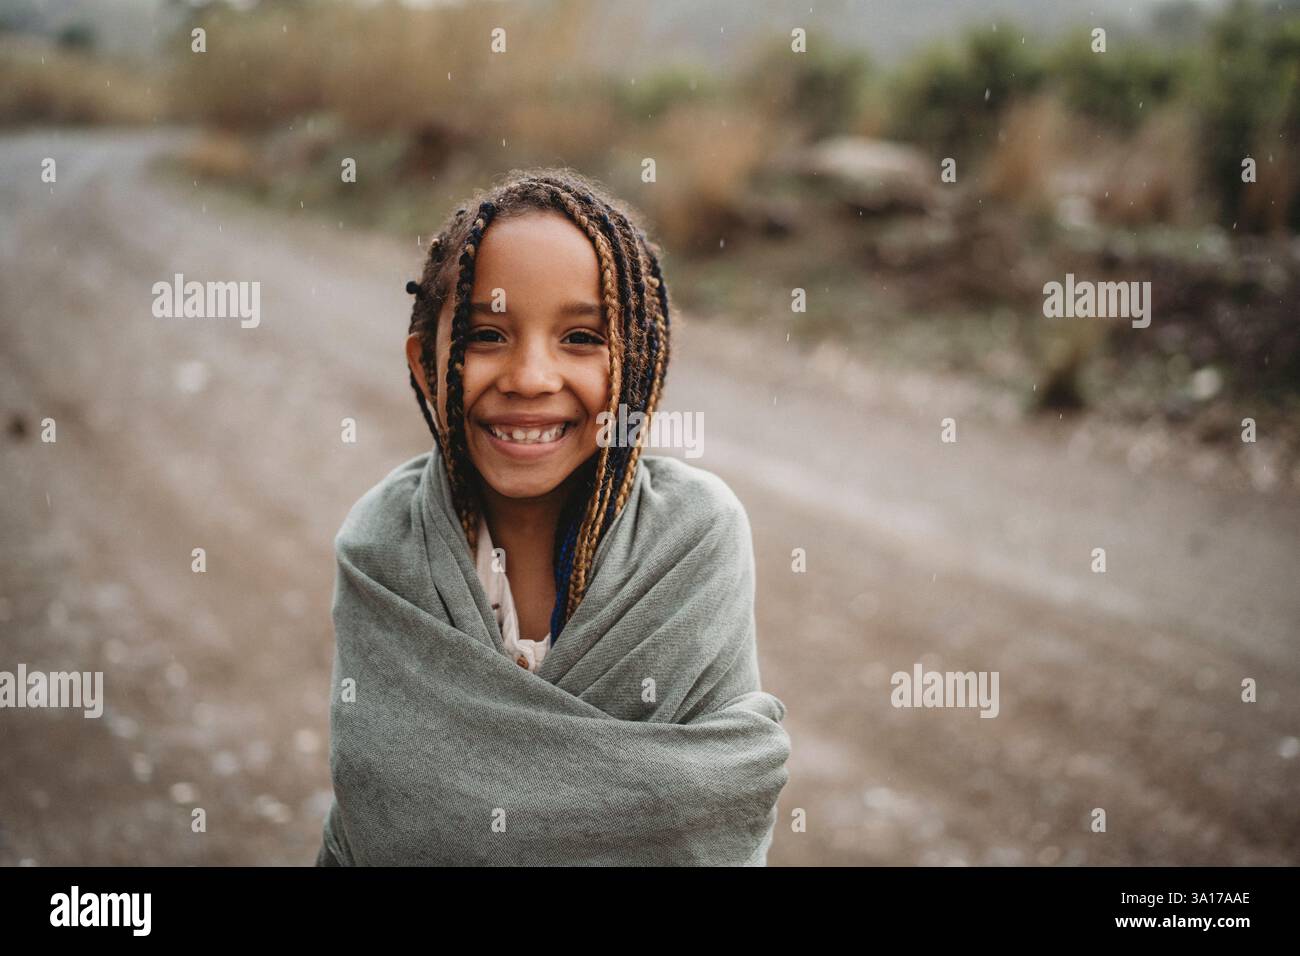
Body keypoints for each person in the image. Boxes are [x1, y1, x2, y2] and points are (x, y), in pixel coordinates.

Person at [316, 169, 789, 866]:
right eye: (485, 334)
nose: (531, 377)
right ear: (425, 365)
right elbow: (384, 811)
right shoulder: (384, 542)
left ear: (640, 363)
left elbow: (709, 808)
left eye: (580, 337)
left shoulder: (695, 535)